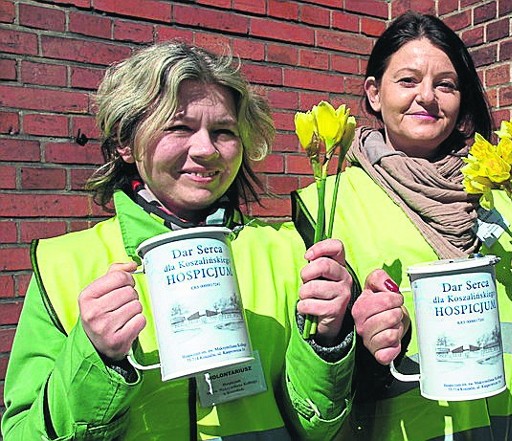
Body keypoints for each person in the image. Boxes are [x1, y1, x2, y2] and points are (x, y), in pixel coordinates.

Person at [2, 41, 355, 441]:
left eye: (223, 131)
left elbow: (319, 425)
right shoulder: (62, 266)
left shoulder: (290, 252)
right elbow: (22, 434)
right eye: (178, 128)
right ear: (125, 141)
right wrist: (94, 359)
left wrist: (329, 341)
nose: (205, 150)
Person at [292, 11, 512, 441]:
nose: (427, 97)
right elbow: (316, 391)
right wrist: (363, 347)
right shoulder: (325, 207)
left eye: (445, 84)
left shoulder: (502, 198)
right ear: (373, 92)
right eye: (408, 81)